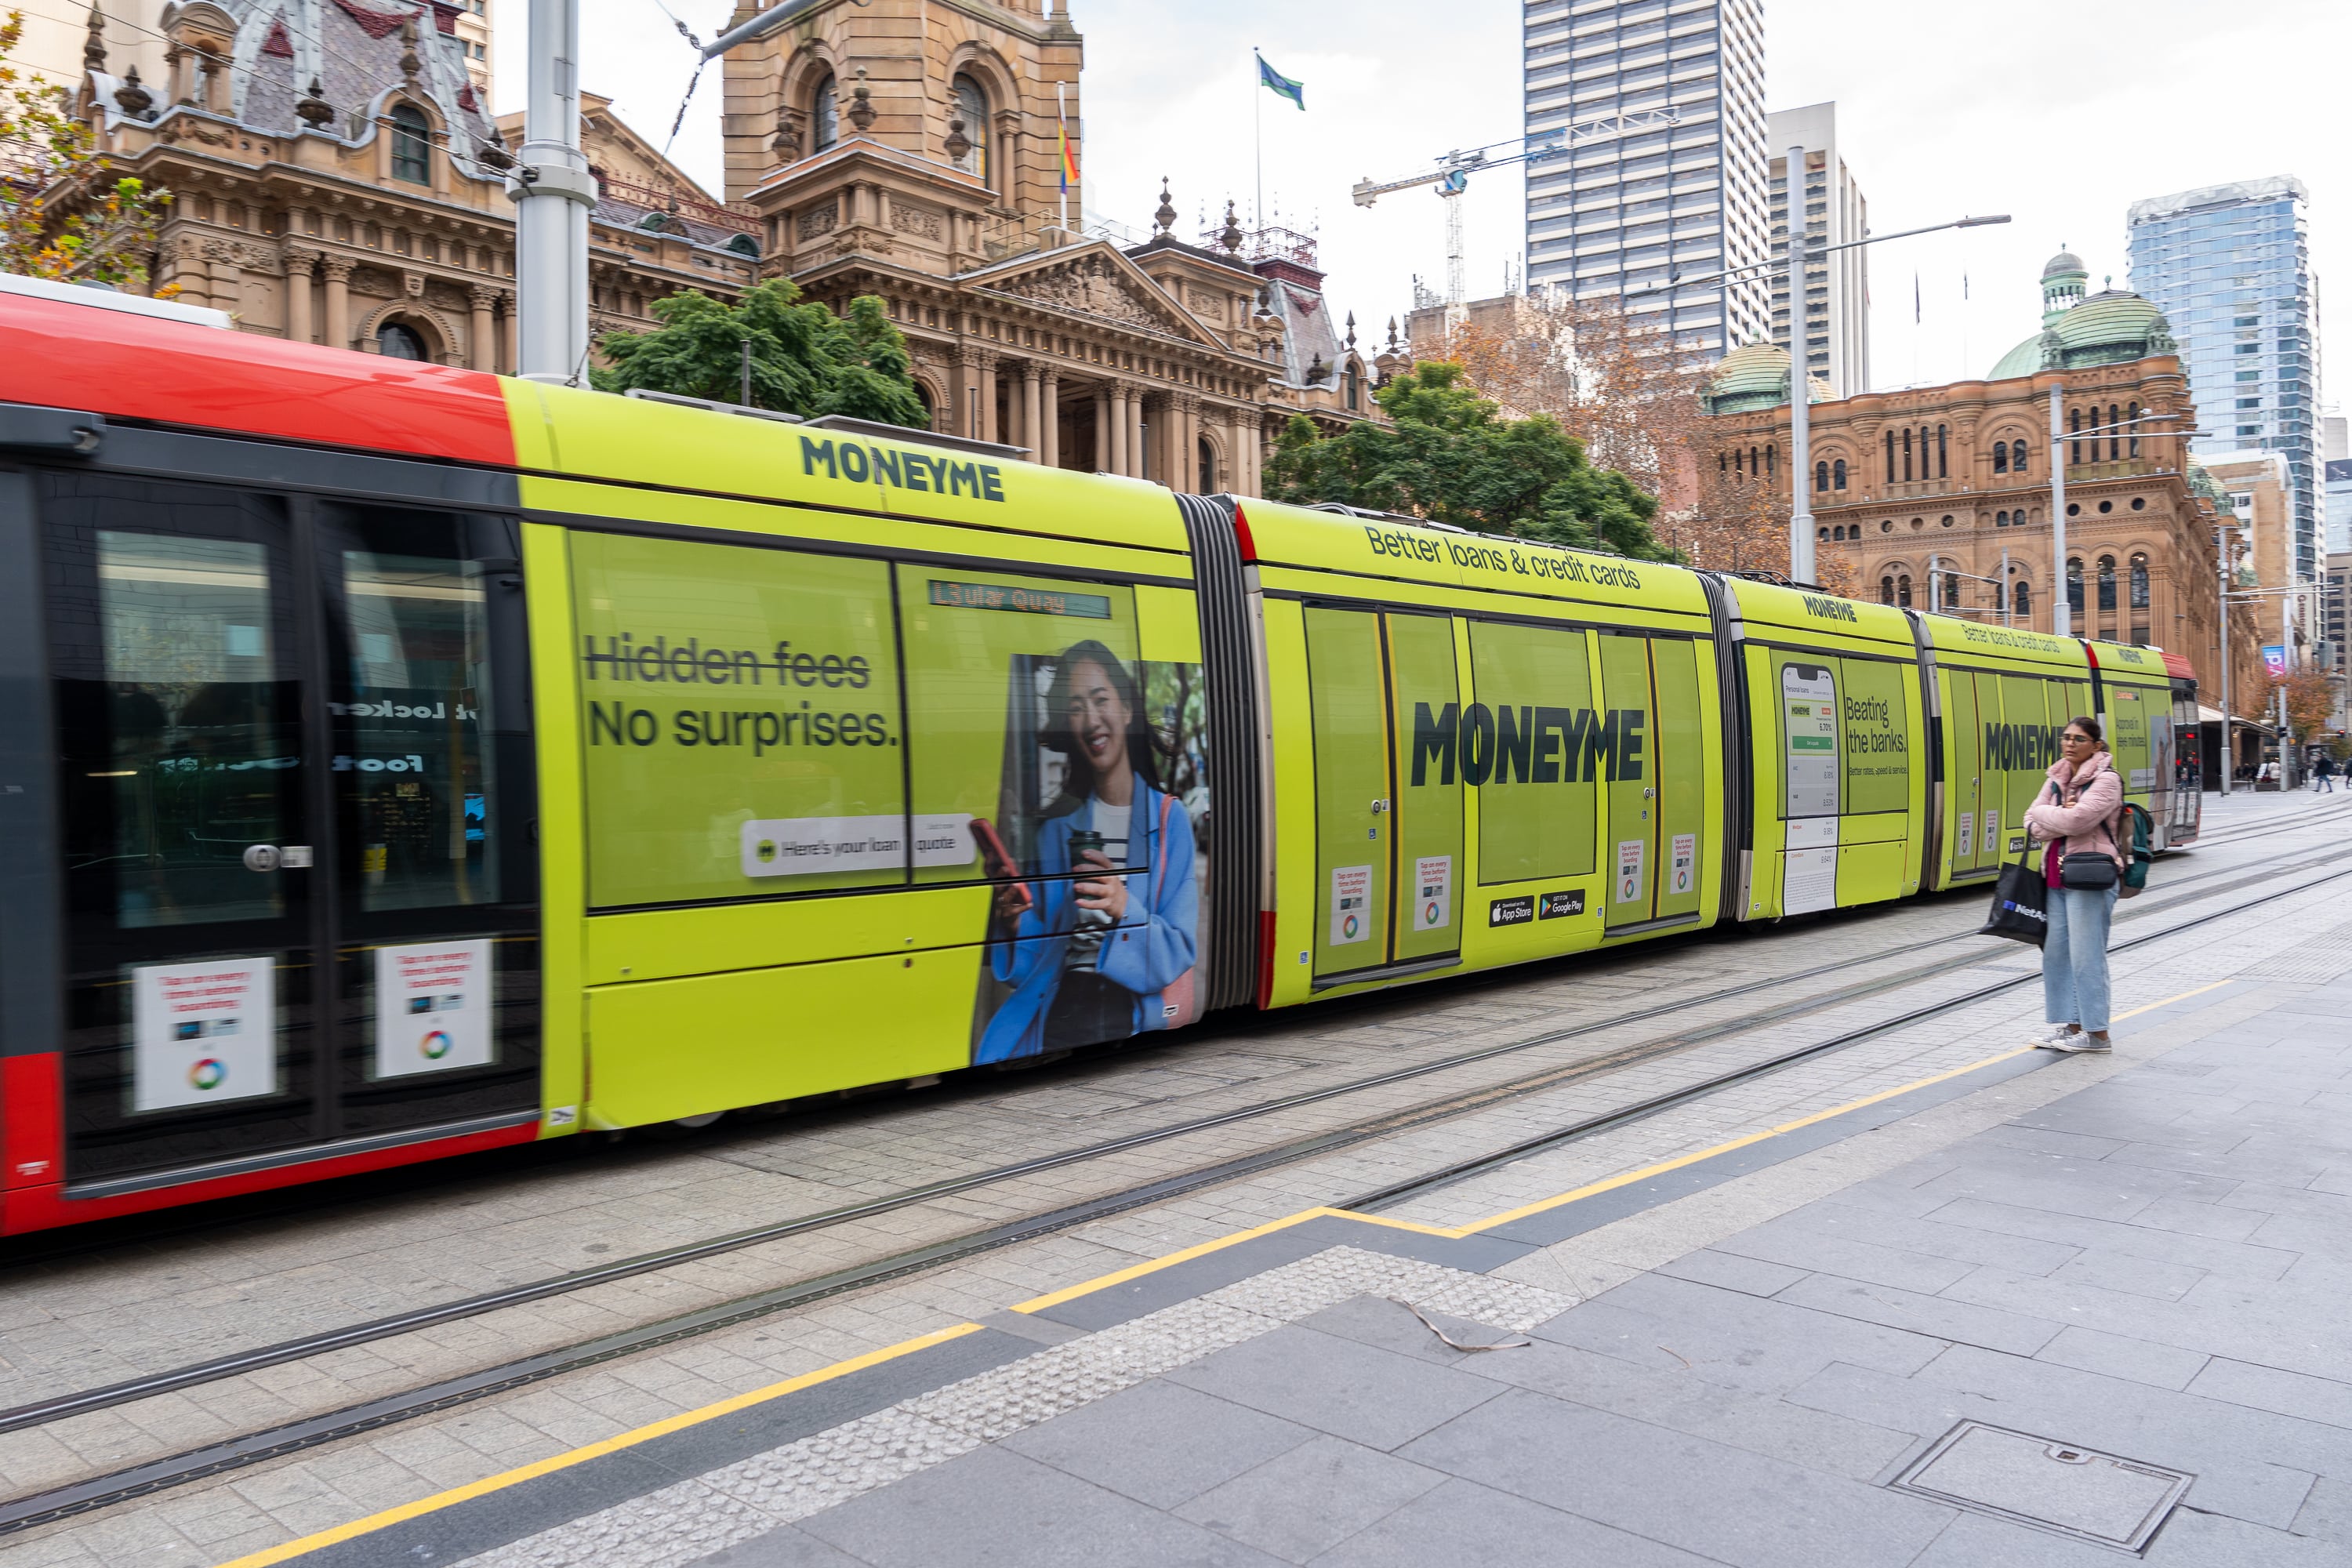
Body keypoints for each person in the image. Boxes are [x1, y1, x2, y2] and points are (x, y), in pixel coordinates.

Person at [975, 641, 1198, 1064]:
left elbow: (1179, 950)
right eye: (1077, 708)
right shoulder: (1057, 830)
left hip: (1129, 1008)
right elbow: (1039, 962)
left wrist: (1122, 907)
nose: (1092, 720)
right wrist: (1017, 919)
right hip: (1063, 1008)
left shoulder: (1171, 821)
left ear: (1126, 709)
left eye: (1100, 699)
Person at [2026, 717, 2125, 1054]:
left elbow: (2078, 820)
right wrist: (2059, 815)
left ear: (2096, 746)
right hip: (2055, 877)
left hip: (2090, 878)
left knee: (2086, 957)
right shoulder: (2057, 776)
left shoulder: (2107, 780)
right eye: (2066, 737)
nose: (2070, 743)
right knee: (2057, 955)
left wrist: (2050, 814)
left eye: (2079, 739)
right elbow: (2029, 821)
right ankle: (2071, 1026)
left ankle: (2097, 1034)